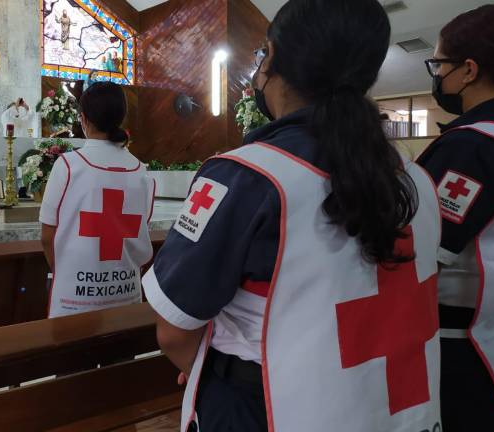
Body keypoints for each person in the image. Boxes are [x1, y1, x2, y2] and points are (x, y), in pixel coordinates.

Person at [142, 0, 442, 431]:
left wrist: (208, 376)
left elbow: (174, 329)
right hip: (389, 404)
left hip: (265, 406)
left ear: (272, 57)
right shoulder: (415, 180)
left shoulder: (246, 177)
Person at [415, 4, 494, 430]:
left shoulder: (473, 146)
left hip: (466, 348)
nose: (437, 76)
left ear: (468, 70)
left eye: (439, 64)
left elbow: (415, 253)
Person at [40, 82, 155, 319]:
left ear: (83, 119)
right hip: (126, 297)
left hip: (75, 301)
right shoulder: (141, 171)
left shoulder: (69, 166)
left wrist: (65, 275)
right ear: (121, 118)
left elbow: (46, 236)